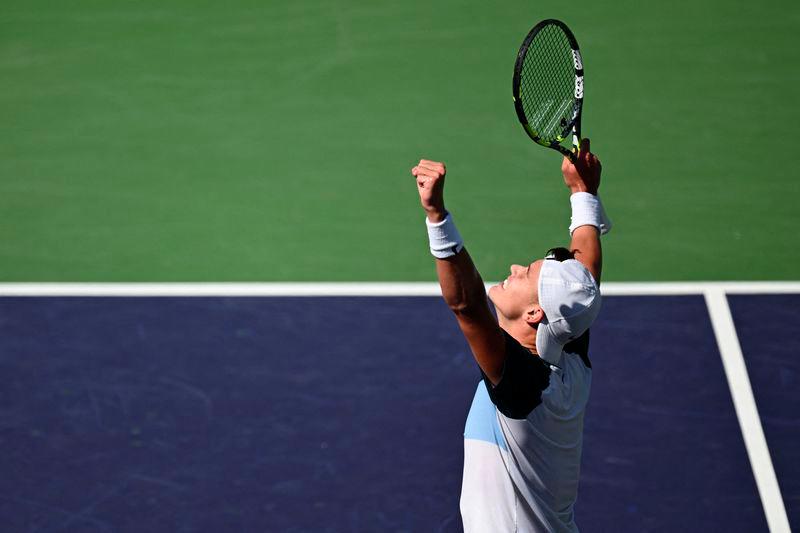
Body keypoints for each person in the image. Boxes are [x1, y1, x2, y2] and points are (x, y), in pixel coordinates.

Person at [410, 139, 611, 532]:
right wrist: (582, 192)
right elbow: (582, 283)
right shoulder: (567, 354)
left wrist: (437, 217)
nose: (516, 267)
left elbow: (467, 307)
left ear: (536, 313)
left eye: (529, 274)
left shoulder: (524, 384)